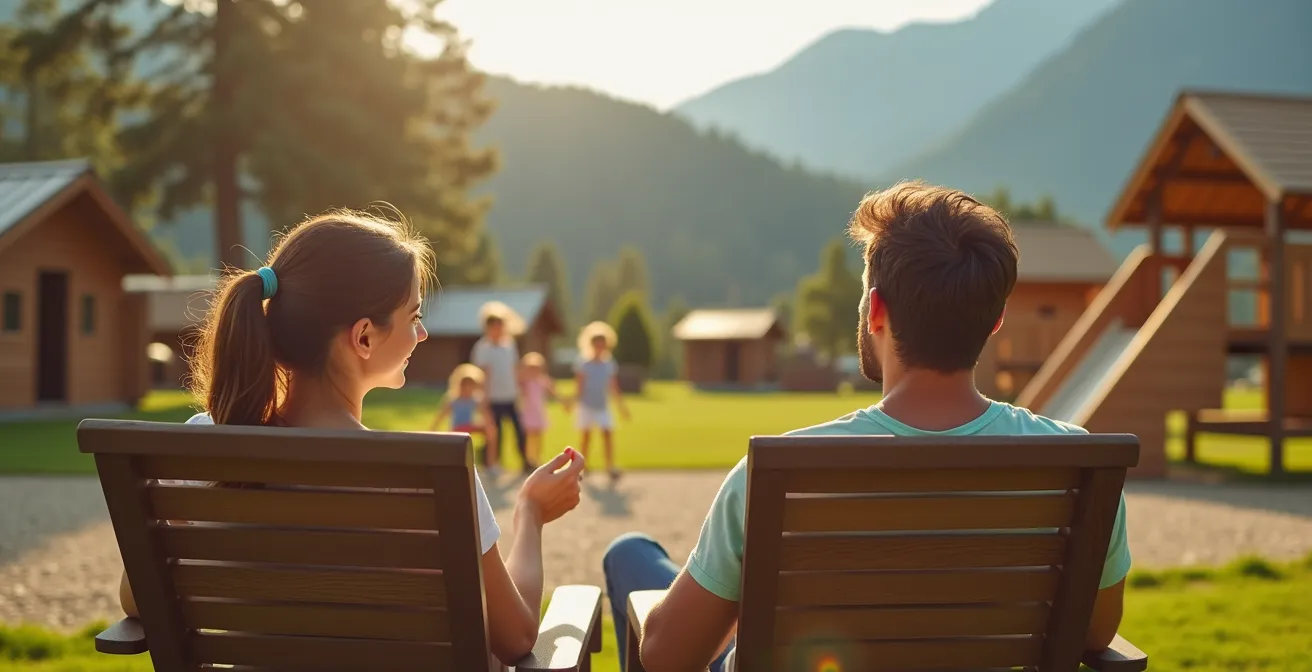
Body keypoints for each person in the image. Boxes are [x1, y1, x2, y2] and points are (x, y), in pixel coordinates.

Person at [601, 181, 1132, 671]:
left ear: (876, 309)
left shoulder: (776, 474)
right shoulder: (1079, 466)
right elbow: (1096, 632)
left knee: (631, 556)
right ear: (995, 321)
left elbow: (668, 657)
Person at [115, 210, 586, 666]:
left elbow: (136, 600)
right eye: (413, 316)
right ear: (363, 337)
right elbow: (517, 637)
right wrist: (530, 515)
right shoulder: (425, 474)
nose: (421, 335)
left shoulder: (203, 448)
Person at [473, 302, 532, 474]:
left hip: (510, 395)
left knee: (520, 430)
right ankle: (492, 463)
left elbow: (515, 369)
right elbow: (482, 375)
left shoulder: (509, 345)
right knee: (495, 433)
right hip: (493, 397)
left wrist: (520, 389)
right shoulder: (482, 348)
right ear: (487, 328)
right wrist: (483, 399)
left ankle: (525, 460)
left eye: (500, 326)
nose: (497, 329)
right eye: (494, 326)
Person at [573, 322, 630, 484]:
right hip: (586, 405)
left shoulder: (609, 364)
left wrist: (621, 406)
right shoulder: (583, 363)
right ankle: (582, 466)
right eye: (597, 344)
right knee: (586, 436)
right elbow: (579, 386)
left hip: (602, 405)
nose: (600, 347)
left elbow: (613, 386)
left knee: (607, 434)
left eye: (602, 344)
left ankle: (609, 466)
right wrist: (573, 402)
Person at [430, 363, 500, 476]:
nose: (467, 389)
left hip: (469, 426)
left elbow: (486, 414)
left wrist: (489, 425)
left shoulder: (474, 399)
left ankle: (491, 464)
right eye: (465, 386)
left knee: (491, 431)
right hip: (458, 428)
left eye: (470, 386)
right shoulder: (454, 399)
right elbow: (441, 415)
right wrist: (433, 429)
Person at [519, 351, 569, 467]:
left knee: (538, 437)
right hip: (528, 412)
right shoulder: (525, 381)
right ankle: (528, 459)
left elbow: (553, 392)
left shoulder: (543, 381)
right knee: (528, 437)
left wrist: (563, 402)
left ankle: (537, 458)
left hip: (538, 412)